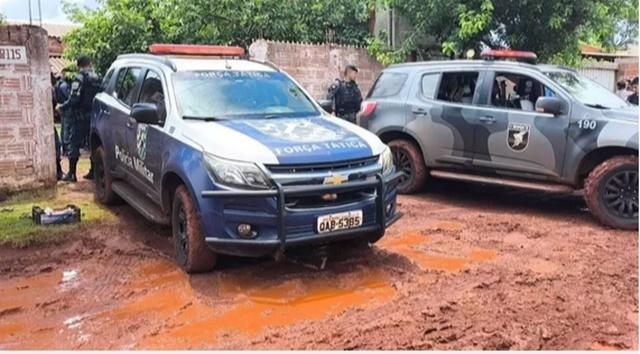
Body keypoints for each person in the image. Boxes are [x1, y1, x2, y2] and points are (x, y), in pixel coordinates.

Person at [57, 55, 101, 182]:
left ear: (79, 65)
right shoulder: (98, 77)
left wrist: (62, 106)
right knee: (92, 144)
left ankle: (72, 174)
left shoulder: (79, 78)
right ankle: (94, 172)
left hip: (80, 116)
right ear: (90, 63)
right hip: (94, 116)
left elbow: (74, 99)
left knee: (74, 143)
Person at [54, 68, 72, 157]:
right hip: (66, 108)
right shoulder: (64, 85)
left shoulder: (58, 84)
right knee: (66, 129)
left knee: (64, 128)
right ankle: (67, 149)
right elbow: (69, 97)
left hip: (61, 108)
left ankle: (65, 148)